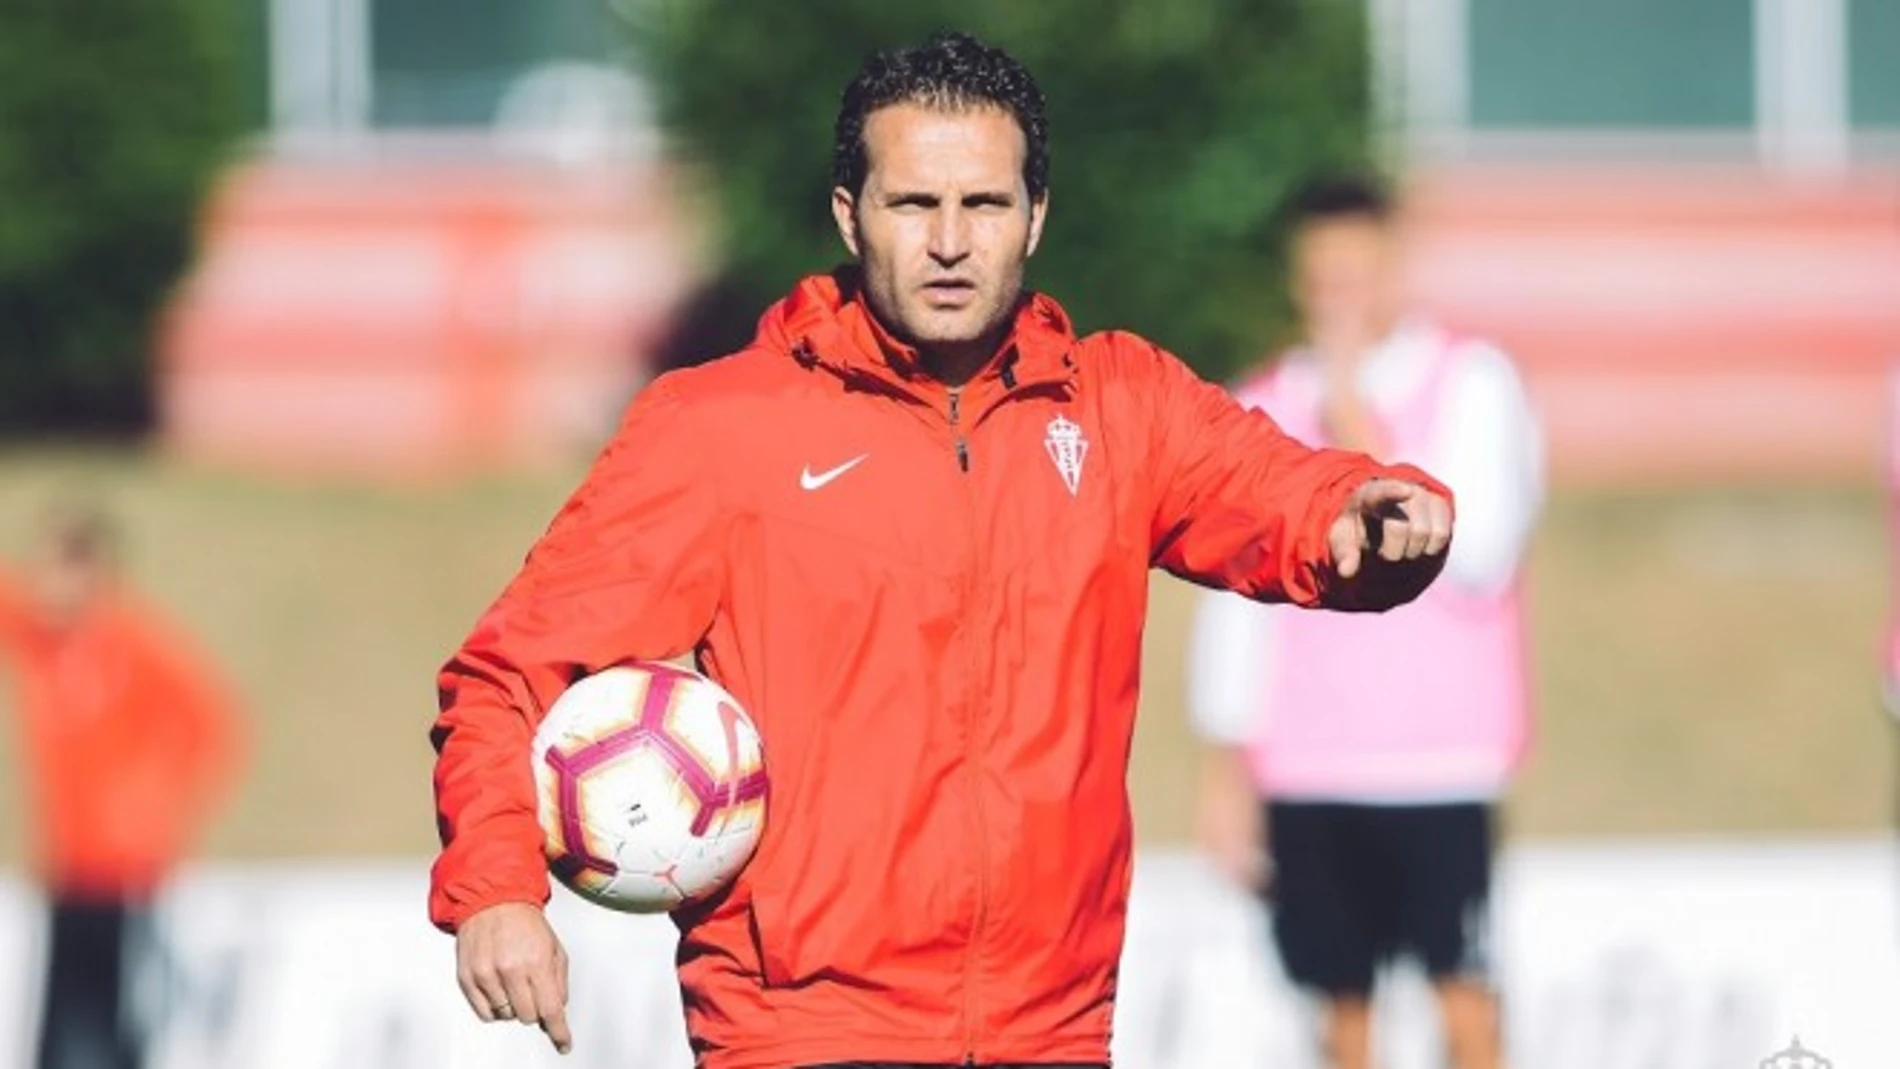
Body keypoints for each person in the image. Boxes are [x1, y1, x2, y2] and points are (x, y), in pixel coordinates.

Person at [430, 33, 1457, 1069]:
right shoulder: (720, 428)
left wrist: (1372, 519)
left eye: (986, 204)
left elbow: (1286, 495)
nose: (952, 242)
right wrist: (496, 891)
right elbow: (507, 674)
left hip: (1052, 1033)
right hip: (804, 1033)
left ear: (1035, 215)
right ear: (850, 215)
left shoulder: (1119, 407)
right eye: (915, 204)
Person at [1188, 174, 1544, 1069]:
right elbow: (1235, 606)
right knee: (1340, 1013)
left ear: (1394, 266)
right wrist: (1227, 768)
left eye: (1356, 275)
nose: (1339, 299)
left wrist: (1358, 432)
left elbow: (1482, 552)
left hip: (1440, 766)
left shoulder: (1472, 382)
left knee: (1465, 1002)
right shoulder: (1263, 403)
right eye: (1322, 279)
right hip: (1308, 770)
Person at [0, 507, 244, 1069]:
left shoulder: (133, 642)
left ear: (92, 573)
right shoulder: (43, 640)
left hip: (126, 868)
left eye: (57, 570)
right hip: (68, 863)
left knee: (116, 1023)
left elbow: (212, 719)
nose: (44, 584)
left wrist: (156, 804)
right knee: (59, 1024)